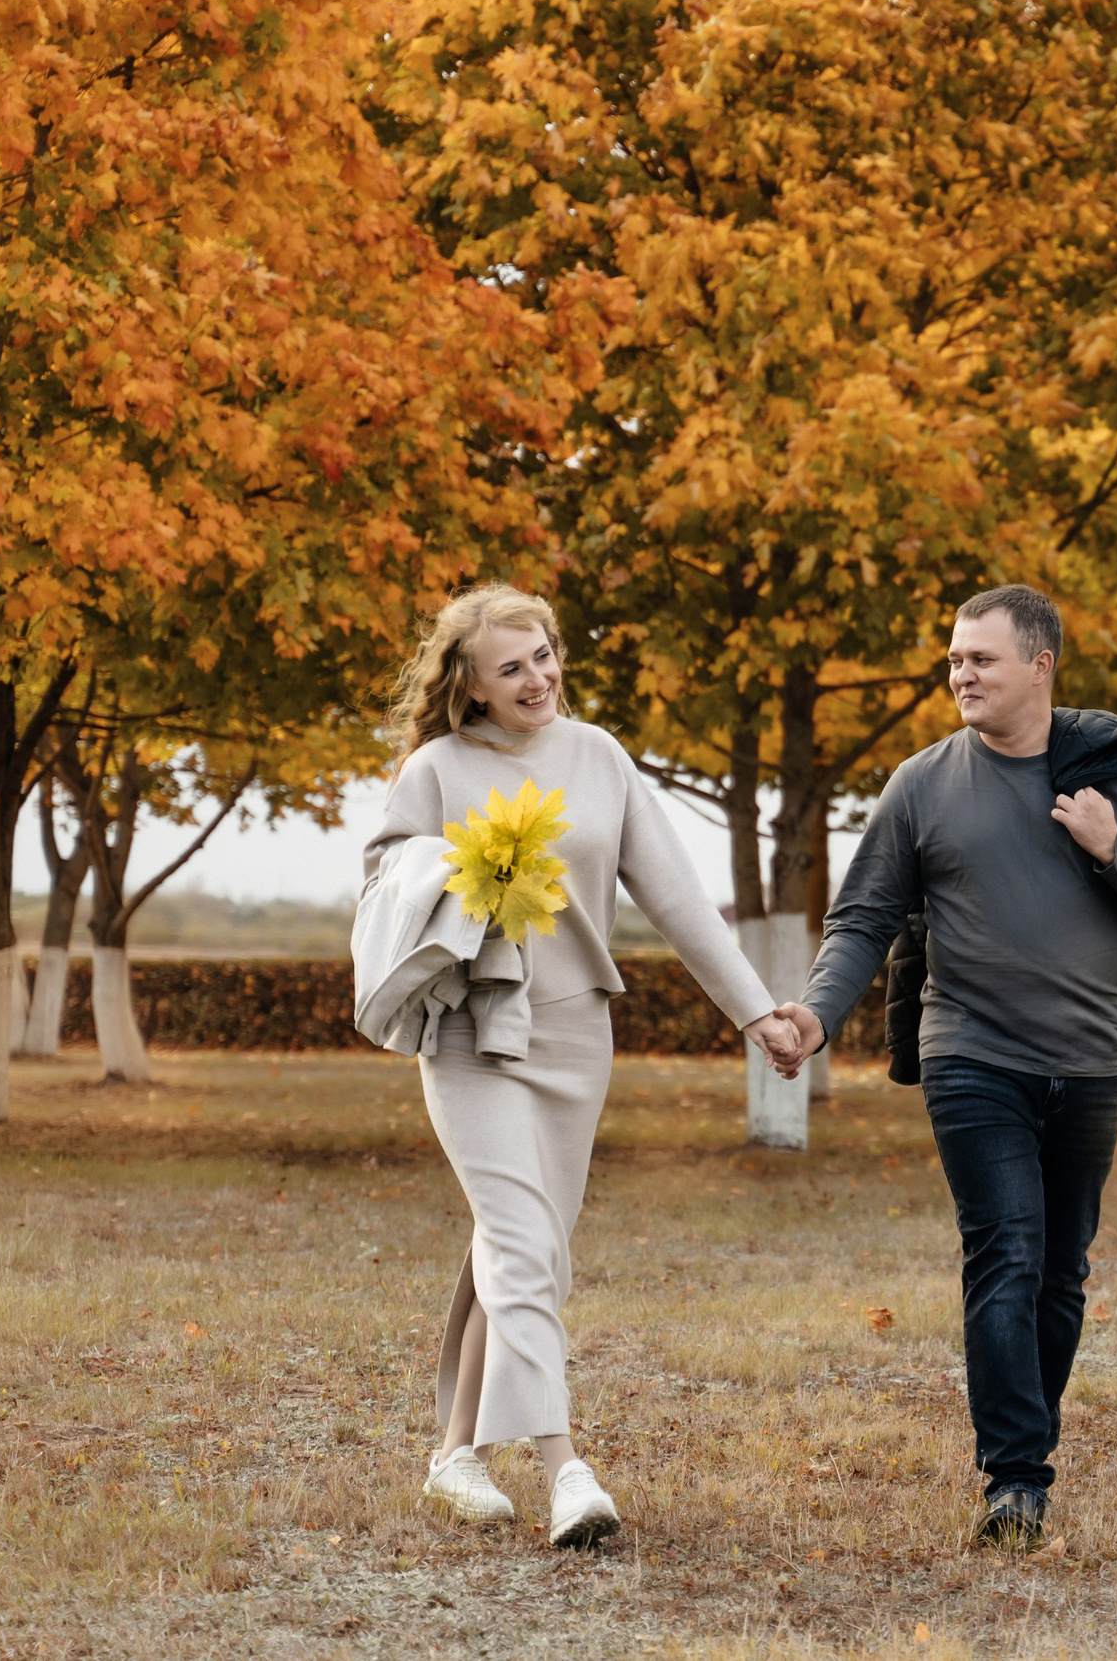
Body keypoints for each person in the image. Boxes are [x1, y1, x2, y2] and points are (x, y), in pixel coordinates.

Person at [363, 584, 809, 1546]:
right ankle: (568, 1469)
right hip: (468, 1032)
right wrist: (461, 873)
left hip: (575, 1036)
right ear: (471, 687)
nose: (538, 677)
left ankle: (454, 1457)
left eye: (545, 655)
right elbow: (383, 887)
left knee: (528, 1251)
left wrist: (755, 1011)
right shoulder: (437, 768)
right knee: (522, 1238)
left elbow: (680, 899)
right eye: (511, 666)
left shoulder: (599, 756)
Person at [774, 584, 1117, 1550]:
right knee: (1006, 1253)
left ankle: (1026, 1440)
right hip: (971, 1052)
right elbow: (864, 919)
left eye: (981, 659)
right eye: (954, 660)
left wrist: (1113, 850)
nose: (961, 674)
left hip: (1095, 1060)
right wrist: (816, 1013)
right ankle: (1015, 1477)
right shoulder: (921, 784)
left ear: (1041, 666)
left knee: (1061, 1275)